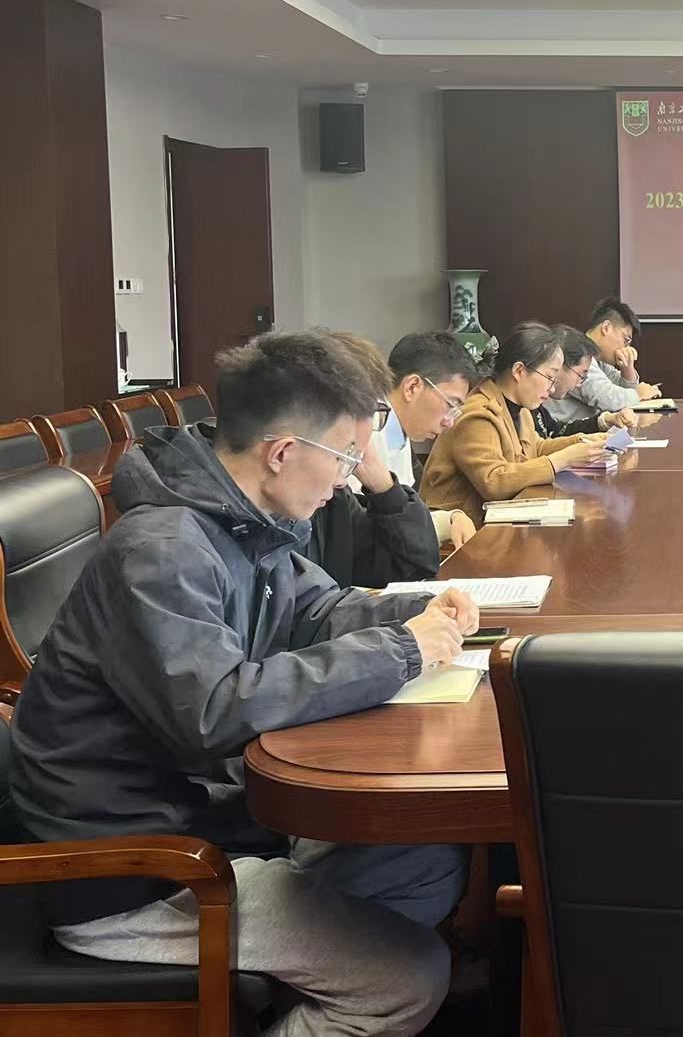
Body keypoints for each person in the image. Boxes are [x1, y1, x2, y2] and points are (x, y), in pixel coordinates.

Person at [7, 329, 480, 1037]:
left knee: (423, 859)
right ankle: (345, 991)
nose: (347, 479)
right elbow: (215, 710)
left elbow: (316, 609)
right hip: (138, 872)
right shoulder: (163, 549)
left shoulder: (244, 523)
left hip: (217, 819)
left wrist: (420, 611)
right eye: (344, 456)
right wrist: (401, 651)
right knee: (407, 978)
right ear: (282, 452)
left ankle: (298, 987)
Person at [300, 331, 469, 589]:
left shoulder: (342, 491)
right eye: (450, 405)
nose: (450, 421)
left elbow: (409, 561)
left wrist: (385, 487)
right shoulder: (361, 448)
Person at [419, 320, 607, 521]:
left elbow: (536, 448)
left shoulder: (522, 409)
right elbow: (494, 482)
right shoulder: (478, 414)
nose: (552, 388)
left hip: (496, 519)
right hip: (457, 528)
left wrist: (581, 442)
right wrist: (562, 459)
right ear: (519, 371)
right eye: (549, 377)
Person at [545, 296, 661, 426]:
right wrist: (638, 394)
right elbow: (609, 399)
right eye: (626, 340)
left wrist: (627, 368)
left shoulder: (599, 359)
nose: (626, 347)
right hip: (563, 431)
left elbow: (622, 392)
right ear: (606, 328)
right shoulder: (579, 354)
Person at [534, 325, 640, 439]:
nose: (552, 388)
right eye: (549, 375)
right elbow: (610, 399)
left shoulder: (539, 410)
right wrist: (639, 394)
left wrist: (606, 420)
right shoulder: (528, 406)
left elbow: (558, 429)